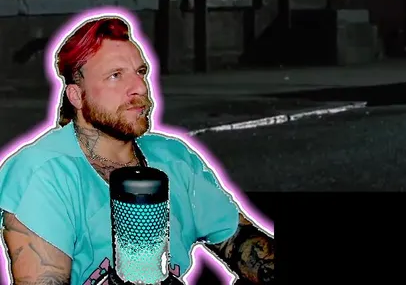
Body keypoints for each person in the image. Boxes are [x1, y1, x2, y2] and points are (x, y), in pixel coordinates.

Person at [0, 15, 275, 285]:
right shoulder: (41, 173)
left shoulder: (174, 158)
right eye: (115, 75)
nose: (140, 88)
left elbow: (240, 241)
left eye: (140, 72)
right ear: (77, 96)